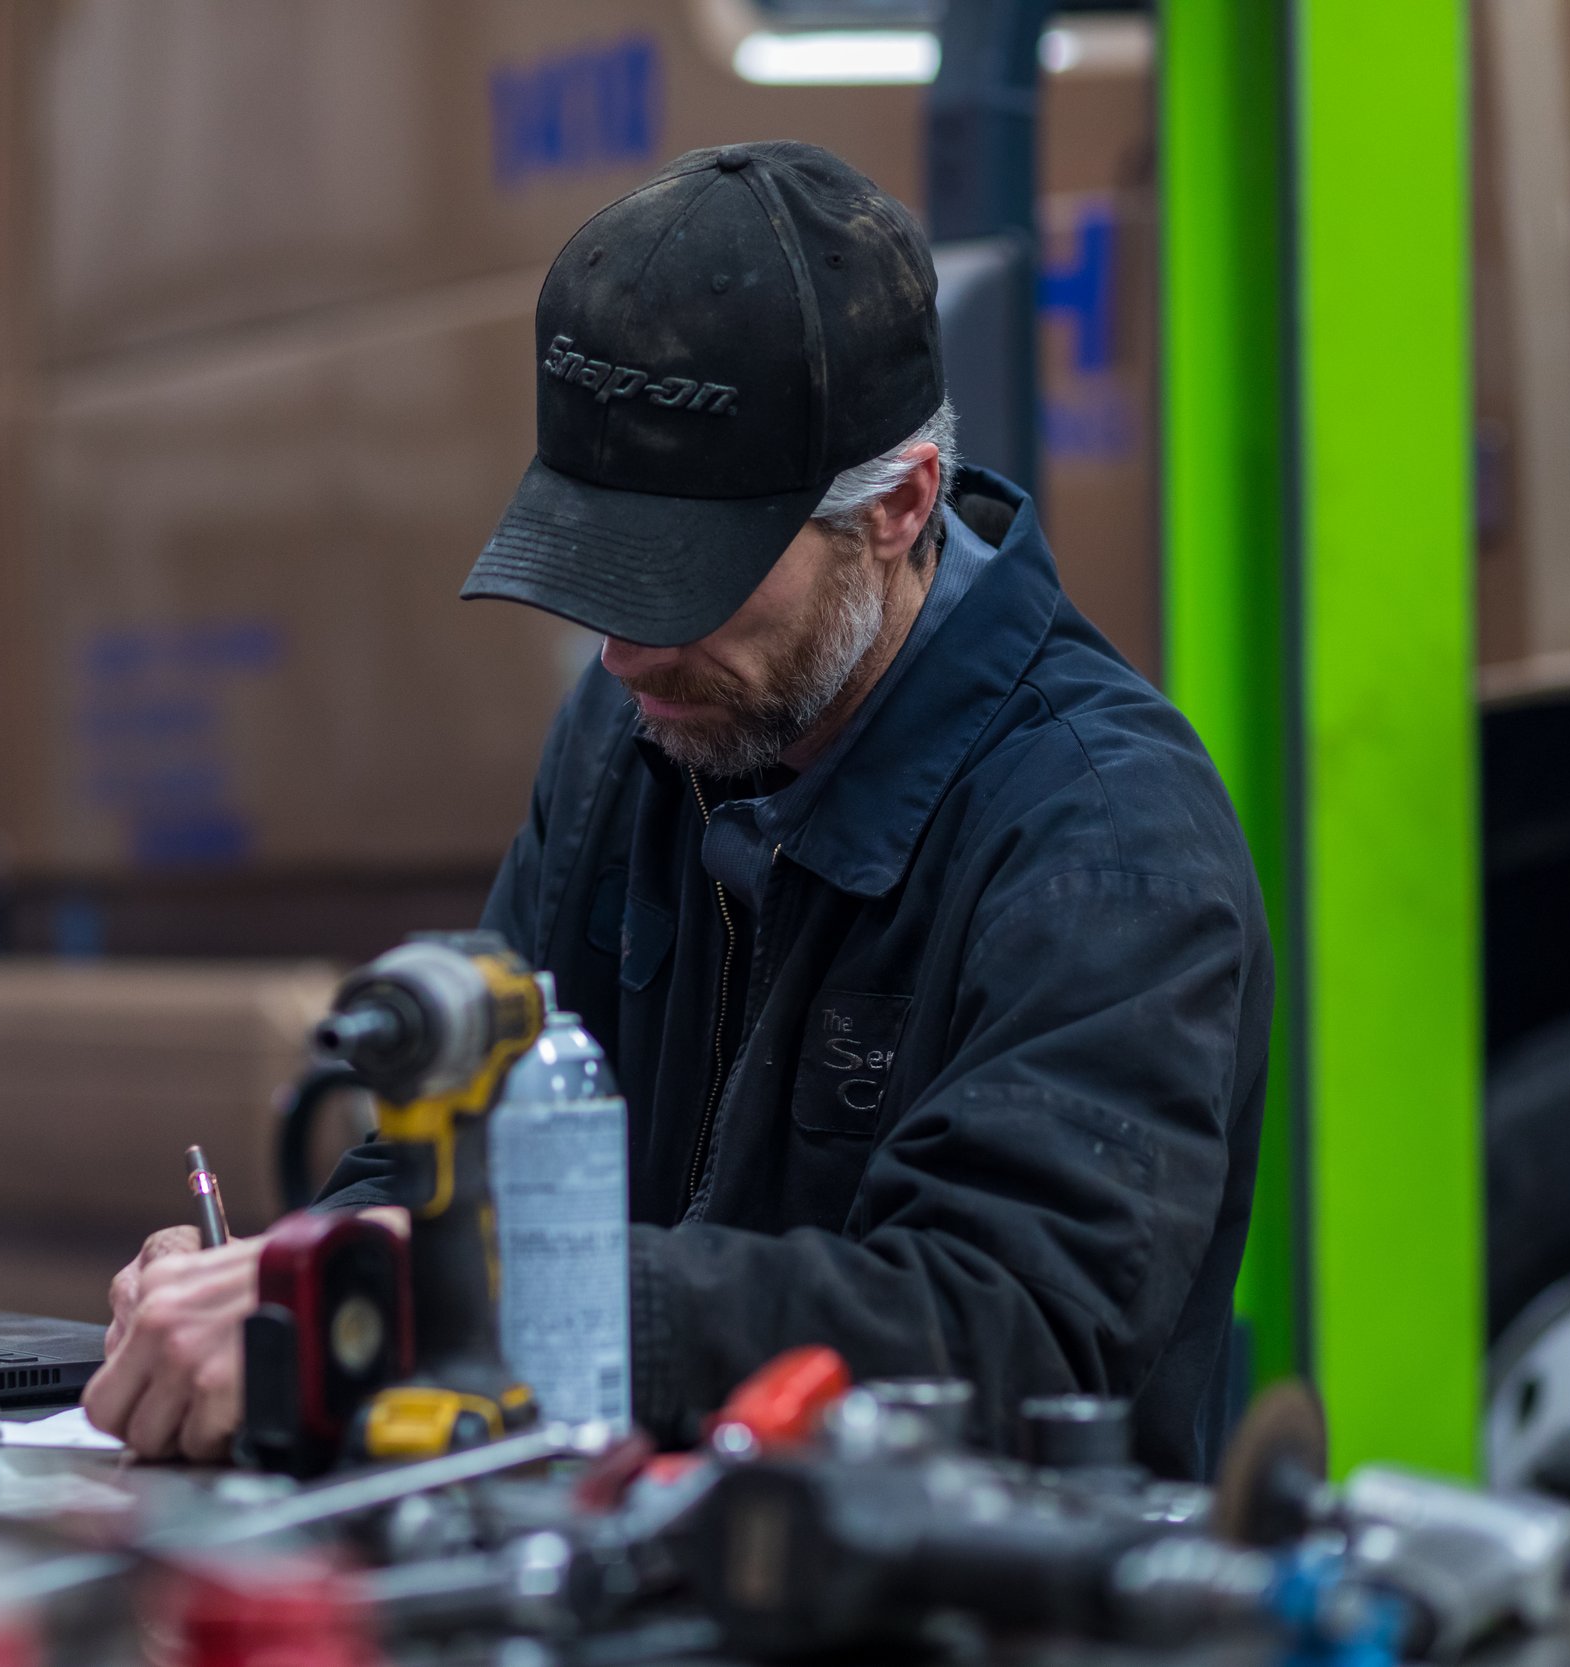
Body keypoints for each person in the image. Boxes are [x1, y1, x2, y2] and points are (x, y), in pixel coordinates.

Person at [84, 140, 1270, 1480]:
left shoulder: (1107, 847)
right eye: (601, 575)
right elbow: (443, 1161)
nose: (623, 656)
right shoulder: (635, 737)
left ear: (898, 508)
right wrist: (307, 1290)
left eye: (682, 582)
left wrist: (479, 1307)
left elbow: (1007, 1337)